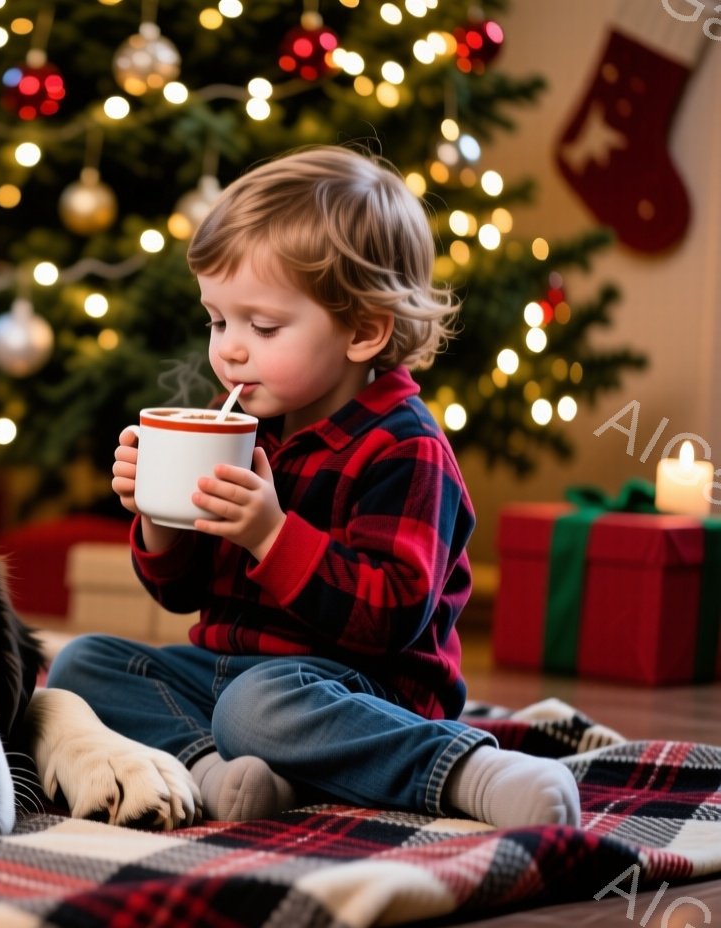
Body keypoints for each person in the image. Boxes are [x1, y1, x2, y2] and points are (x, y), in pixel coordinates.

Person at [48, 146, 580, 828]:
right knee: (83, 666)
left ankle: (463, 771)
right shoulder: (245, 423)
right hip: (227, 673)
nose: (229, 349)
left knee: (258, 708)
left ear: (363, 331)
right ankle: (213, 773)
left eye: (263, 326)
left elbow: (388, 615)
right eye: (217, 320)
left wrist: (270, 535)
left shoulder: (405, 447)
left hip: (359, 691)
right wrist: (159, 517)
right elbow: (181, 594)